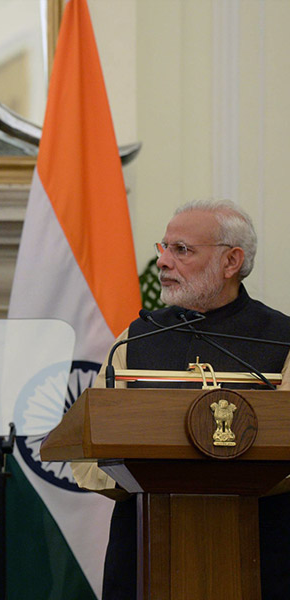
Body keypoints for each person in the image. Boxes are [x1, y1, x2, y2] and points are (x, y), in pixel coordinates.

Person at [75, 199, 290, 600]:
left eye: (182, 250)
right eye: (164, 247)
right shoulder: (137, 339)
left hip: (263, 545)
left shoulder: (281, 340)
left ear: (231, 261)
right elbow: (90, 456)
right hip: (146, 544)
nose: (163, 262)